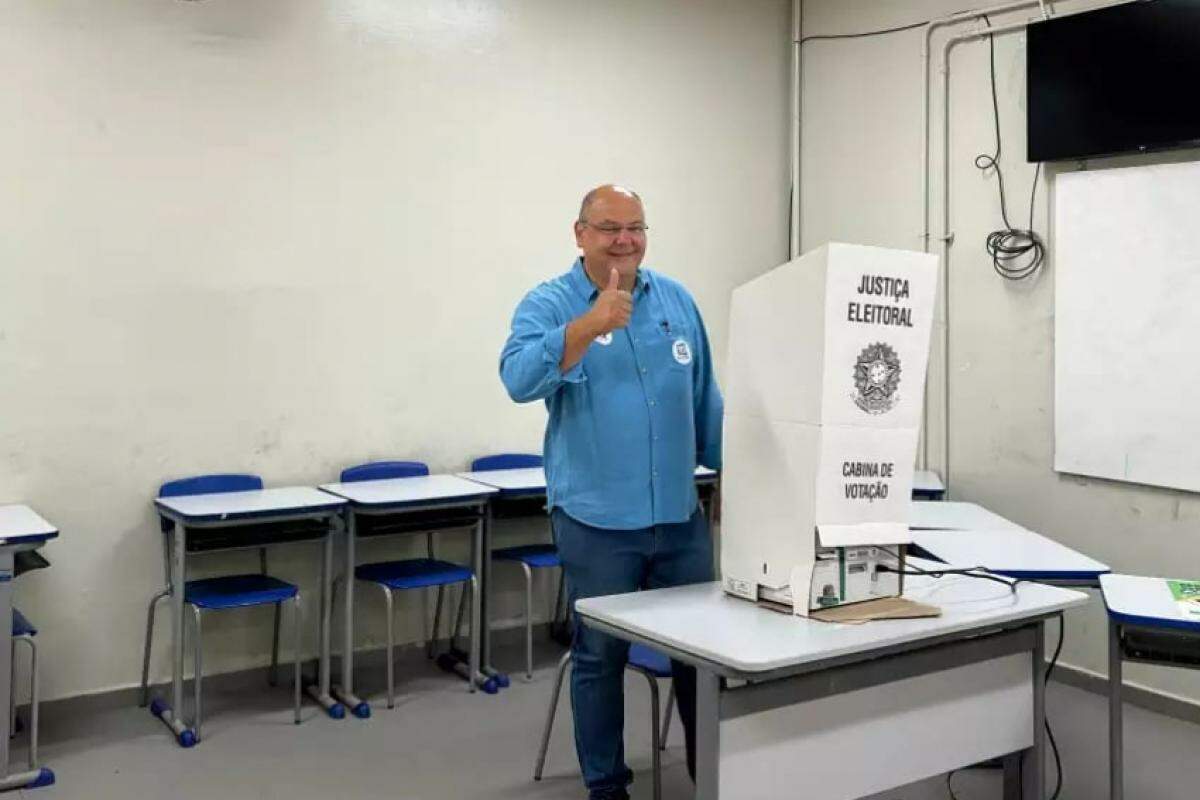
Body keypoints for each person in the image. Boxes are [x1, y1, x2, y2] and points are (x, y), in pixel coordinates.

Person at [499, 184, 723, 800]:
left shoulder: (676, 301)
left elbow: (705, 399)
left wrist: (730, 472)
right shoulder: (548, 304)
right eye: (609, 228)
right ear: (580, 234)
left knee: (702, 657)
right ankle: (607, 785)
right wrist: (589, 323)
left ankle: (718, 776)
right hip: (596, 520)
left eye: (636, 228)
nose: (624, 240)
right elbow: (518, 379)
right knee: (600, 657)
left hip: (678, 517)